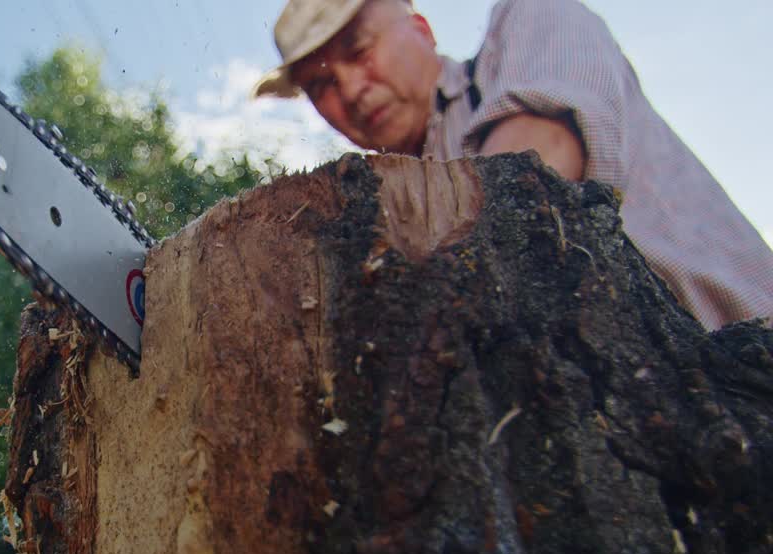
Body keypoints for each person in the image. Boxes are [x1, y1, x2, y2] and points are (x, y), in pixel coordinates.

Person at [253, 0, 773, 330]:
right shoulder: (379, 202)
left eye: (359, 49)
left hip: (741, 377)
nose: (350, 88)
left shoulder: (532, 18)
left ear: (421, 28)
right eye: (320, 84)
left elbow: (528, 182)